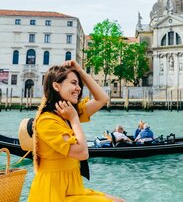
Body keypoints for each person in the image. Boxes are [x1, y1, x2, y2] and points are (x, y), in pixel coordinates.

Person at [28, 60, 124, 202]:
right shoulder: (47, 121)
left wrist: (80, 71)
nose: (78, 88)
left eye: (79, 84)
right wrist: (74, 119)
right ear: (56, 86)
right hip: (53, 193)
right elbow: (82, 153)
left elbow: (102, 98)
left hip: (72, 189)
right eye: (73, 83)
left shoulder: (66, 113)